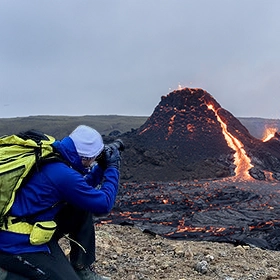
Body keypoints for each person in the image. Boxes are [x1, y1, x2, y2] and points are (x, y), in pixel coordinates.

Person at [0, 125, 122, 280]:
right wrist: (113, 169)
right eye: (93, 159)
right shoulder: (61, 173)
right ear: (84, 158)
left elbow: (80, 190)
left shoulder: (55, 154)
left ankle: (81, 269)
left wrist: (101, 168)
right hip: (15, 243)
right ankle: (5, 275)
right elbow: (103, 205)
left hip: (36, 227)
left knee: (80, 206)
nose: (93, 162)